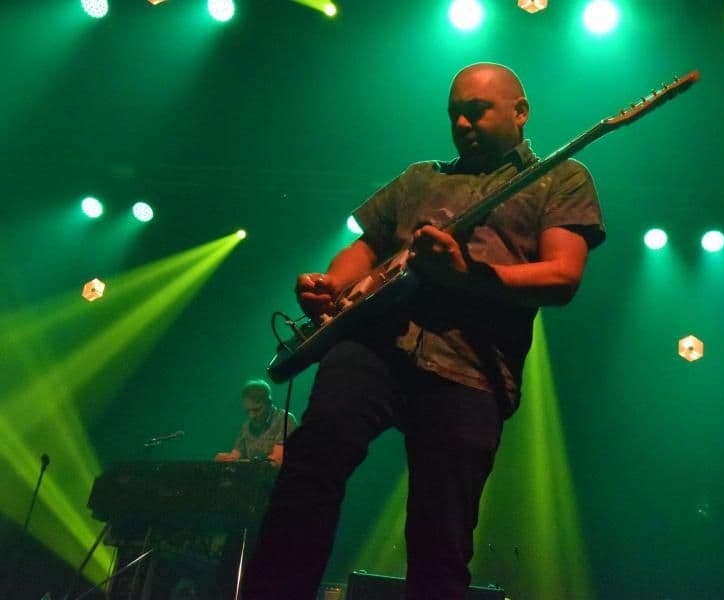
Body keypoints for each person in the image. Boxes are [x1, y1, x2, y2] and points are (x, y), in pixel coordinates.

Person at [243, 62, 605, 599]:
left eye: (476, 111)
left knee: (441, 531)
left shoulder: (562, 177)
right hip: (373, 343)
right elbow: (366, 248)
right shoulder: (419, 177)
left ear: (521, 112)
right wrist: (331, 284)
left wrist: (467, 274)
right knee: (309, 468)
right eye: (454, 113)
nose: (462, 123)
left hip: (472, 367)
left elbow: (562, 276)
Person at [215, 379, 297, 465]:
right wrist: (226, 459)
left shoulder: (285, 419)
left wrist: (243, 462)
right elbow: (236, 455)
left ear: (269, 403)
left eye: (257, 410)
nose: (252, 416)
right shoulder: (246, 425)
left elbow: (277, 460)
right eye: (247, 411)